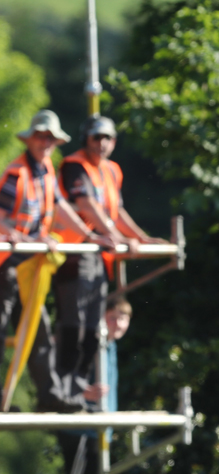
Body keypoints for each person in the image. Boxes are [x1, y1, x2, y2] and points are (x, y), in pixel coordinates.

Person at [0, 109, 108, 413]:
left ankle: (49, 395)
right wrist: (22, 237)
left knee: (38, 330)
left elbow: (60, 207)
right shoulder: (16, 174)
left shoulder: (46, 171)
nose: (45, 142)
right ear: (30, 139)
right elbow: (0, 218)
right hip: (5, 266)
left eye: (50, 138)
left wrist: (90, 235)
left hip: (28, 266)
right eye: (40, 136)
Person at [57, 115, 164, 400]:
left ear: (114, 142)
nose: (102, 143)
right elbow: (87, 205)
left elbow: (115, 212)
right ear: (86, 139)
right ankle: (66, 390)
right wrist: (116, 237)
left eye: (107, 138)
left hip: (99, 256)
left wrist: (141, 238)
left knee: (94, 327)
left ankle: (79, 391)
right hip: (75, 253)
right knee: (74, 324)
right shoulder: (75, 166)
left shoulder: (112, 170)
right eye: (96, 137)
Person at [58, 296, 131, 474]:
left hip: (100, 429)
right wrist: (82, 392)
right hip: (82, 427)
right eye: (112, 318)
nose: (118, 324)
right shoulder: (89, 343)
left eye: (123, 318)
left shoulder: (110, 346)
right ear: (101, 318)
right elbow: (61, 378)